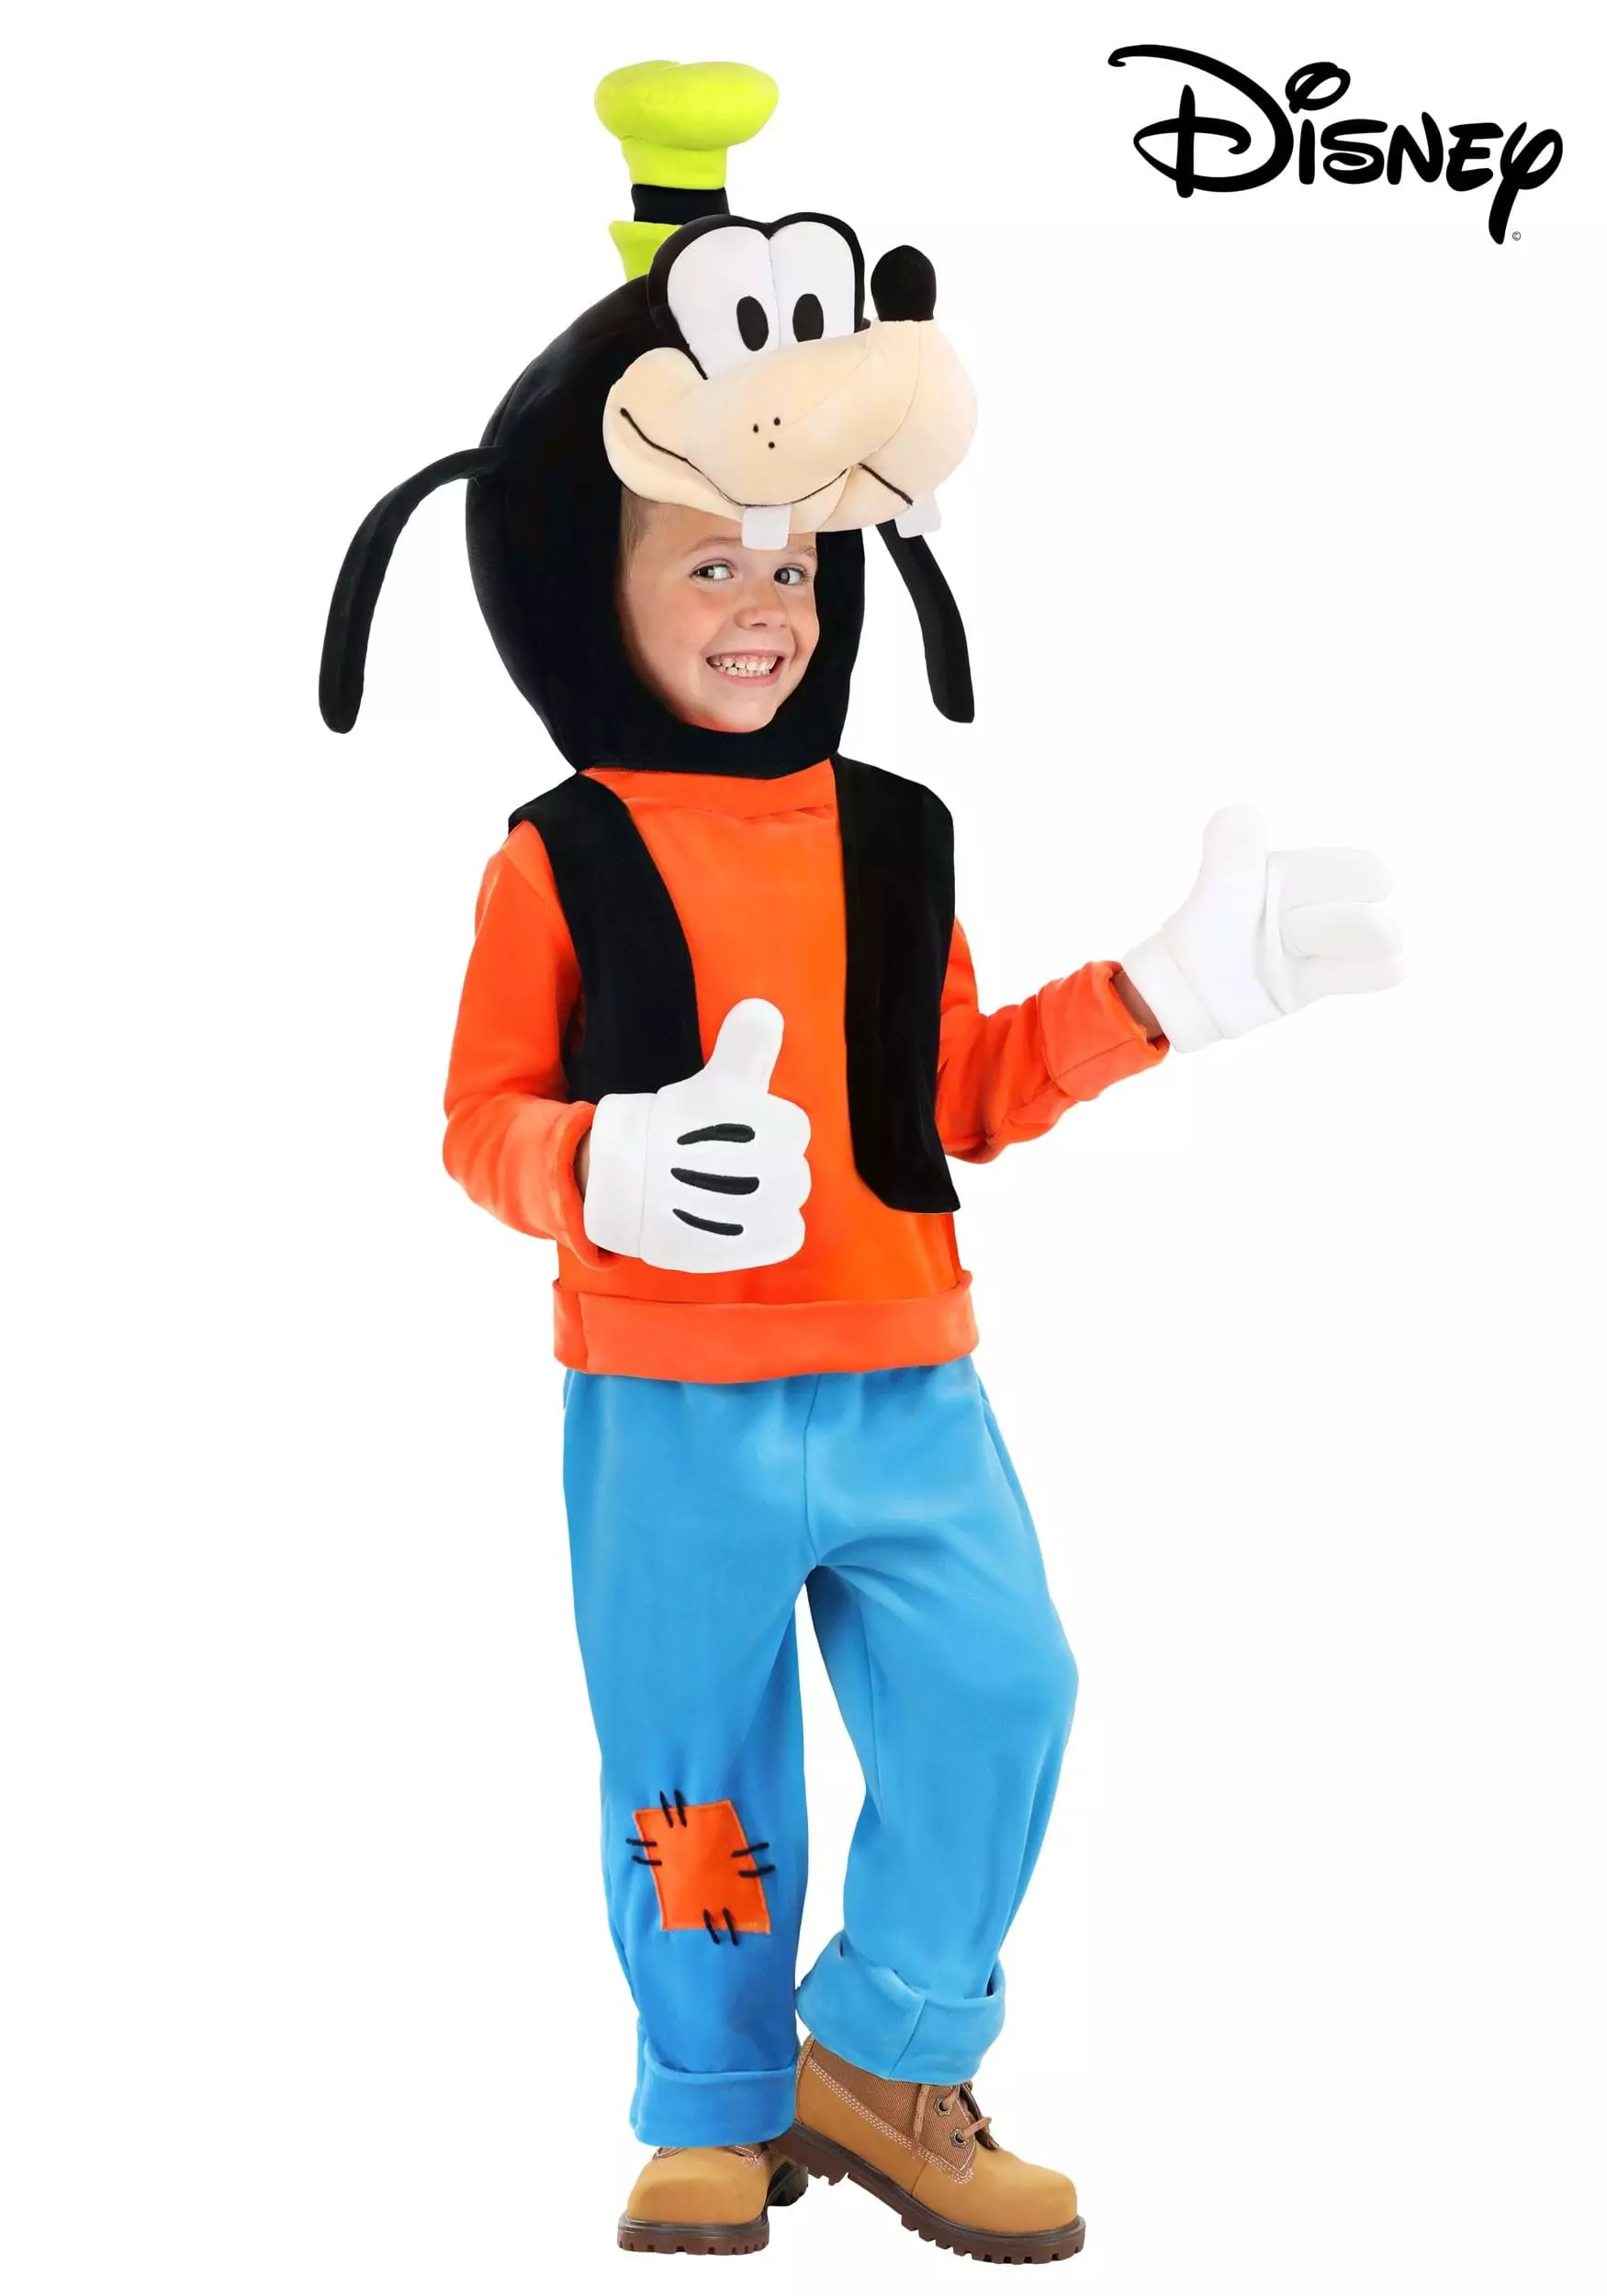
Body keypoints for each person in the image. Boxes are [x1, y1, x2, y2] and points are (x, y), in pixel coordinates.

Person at [326, 60, 1403, 2263]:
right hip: (667, 1413)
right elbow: (476, 1122)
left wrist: (1164, 993)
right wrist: (597, 1165)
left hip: (913, 1385)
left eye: (797, 559)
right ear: (580, 582)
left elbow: (960, 1092)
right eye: (706, 558)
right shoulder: (555, 855)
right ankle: (716, 2094)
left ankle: (886, 2042)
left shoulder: (897, 831)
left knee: (1005, 1688)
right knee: (694, 1776)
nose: (765, 600)